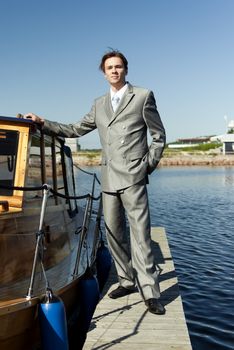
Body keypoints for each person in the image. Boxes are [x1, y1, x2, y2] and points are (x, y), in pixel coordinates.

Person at [23, 50, 166, 315]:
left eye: (119, 66)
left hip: (133, 177)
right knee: (113, 232)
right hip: (109, 178)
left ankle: (150, 291)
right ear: (104, 72)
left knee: (141, 236)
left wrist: (147, 165)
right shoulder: (99, 104)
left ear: (125, 69)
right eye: (110, 67)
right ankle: (126, 280)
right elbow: (76, 129)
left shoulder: (143, 96)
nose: (114, 71)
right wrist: (43, 123)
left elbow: (159, 136)